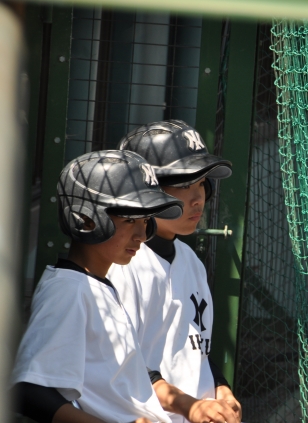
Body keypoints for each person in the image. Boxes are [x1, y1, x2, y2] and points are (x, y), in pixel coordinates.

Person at [11, 150, 184, 423]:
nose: (141, 235)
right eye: (129, 220)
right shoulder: (69, 290)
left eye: (145, 221)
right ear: (85, 219)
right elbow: (29, 392)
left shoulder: (96, 284)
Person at [109, 120, 242, 423]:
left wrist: (221, 387)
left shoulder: (191, 261)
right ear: (146, 190)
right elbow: (120, 364)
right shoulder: (122, 265)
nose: (198, 198)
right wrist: (189, 406)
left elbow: (195, 351)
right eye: (183, 186)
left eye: (202, 184)